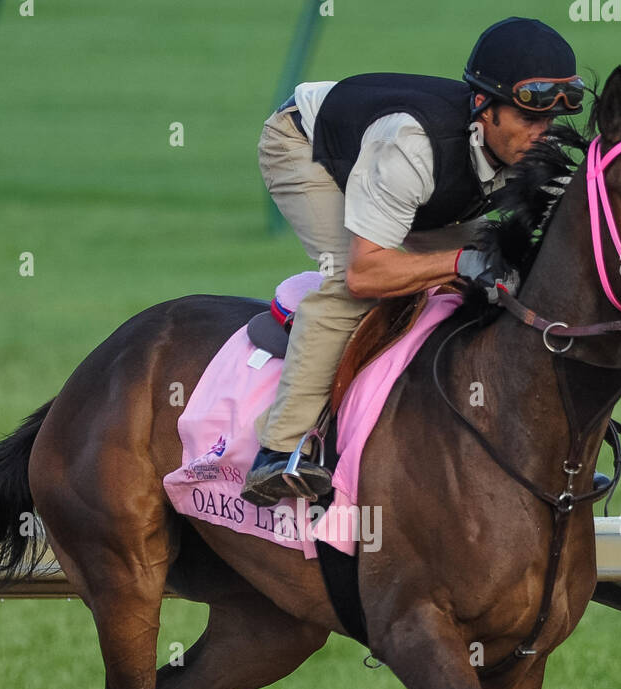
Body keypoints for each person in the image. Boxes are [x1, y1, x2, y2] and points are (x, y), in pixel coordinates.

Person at [240, 16, 585, 507]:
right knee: (351, 289)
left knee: (510, 280)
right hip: (305, 147)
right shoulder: (411, 145)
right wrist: (461, 262)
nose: (541, 135)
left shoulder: (531, 147)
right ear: (484, 108)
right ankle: (278, 454)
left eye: (550, 122)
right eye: (529, 119)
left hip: (420, 186)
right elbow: (366, 272)